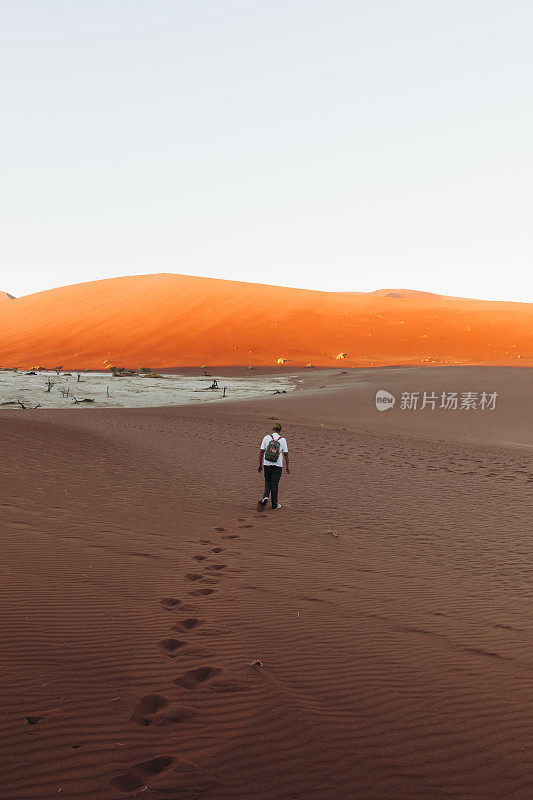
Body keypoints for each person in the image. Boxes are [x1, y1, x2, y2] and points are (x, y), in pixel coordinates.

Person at [258, 422, 289, 509]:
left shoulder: (266, 438)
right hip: (278, 465)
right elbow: (286, 454)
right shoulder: (282, 440)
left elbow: (261, 452)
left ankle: (265, 497)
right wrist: (287, 466)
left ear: (273, 429)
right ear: (280, 430)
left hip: (267, 463)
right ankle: (274, 505)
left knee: (267, 481)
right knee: (274, 484)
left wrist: (260, 465)